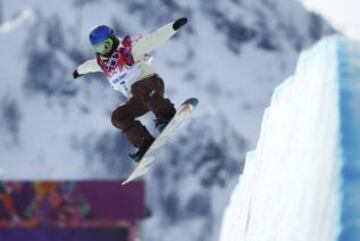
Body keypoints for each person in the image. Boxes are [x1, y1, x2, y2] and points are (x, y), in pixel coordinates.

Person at [72, 17, 188, 162]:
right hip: (140, 98)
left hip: (152, 85)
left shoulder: (129, 49)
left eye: (106, 46)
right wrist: (79, 71)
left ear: (113, 39)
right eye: (99, 49)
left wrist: (173, 27)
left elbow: (154, 39)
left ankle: (167, 114)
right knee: (118, 117)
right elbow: (90, 65)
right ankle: (145, 142)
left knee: (137, 88)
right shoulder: (103, 64)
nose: (104, 52)